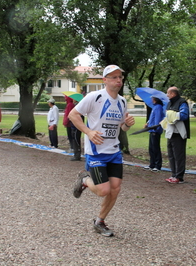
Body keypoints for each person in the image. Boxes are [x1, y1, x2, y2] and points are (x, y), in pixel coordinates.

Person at [69, 64, 135, 237]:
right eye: (114, 77)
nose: (118, 80)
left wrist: (127, 124)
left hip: (114, 152)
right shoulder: (94, 97)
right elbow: (73, 115)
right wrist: (89, 132)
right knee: (103, 190)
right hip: (96, 152)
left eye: (120, 77)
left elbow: (122, 127)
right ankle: (84, 179)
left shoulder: (122, 101)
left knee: (115, 189)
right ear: (105, 80)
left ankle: (100, 221)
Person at [164, 87, 190, 184]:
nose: (167, 95)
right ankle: (173, 174)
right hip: (170, 133)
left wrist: (172, 114)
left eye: (168, 93)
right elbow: (167, 116)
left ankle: (179, 177)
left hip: (179, 133)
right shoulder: (169, 103)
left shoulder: (182, 102)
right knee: (171, 155)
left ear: (173, 94)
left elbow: (184, 115)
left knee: (179, 155)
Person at [143, 97, 165, 172]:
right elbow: (152, 117)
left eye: (152, 98)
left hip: (155, 130)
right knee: (151, 148)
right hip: (151, 130)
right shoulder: (155, 107)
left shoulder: (158, 107)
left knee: (155, 148)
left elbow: (157, 119)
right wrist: (148, 124)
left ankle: (157, 165)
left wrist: (156, 129)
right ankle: (152, 164)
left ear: (156, 99)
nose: (151, 100)